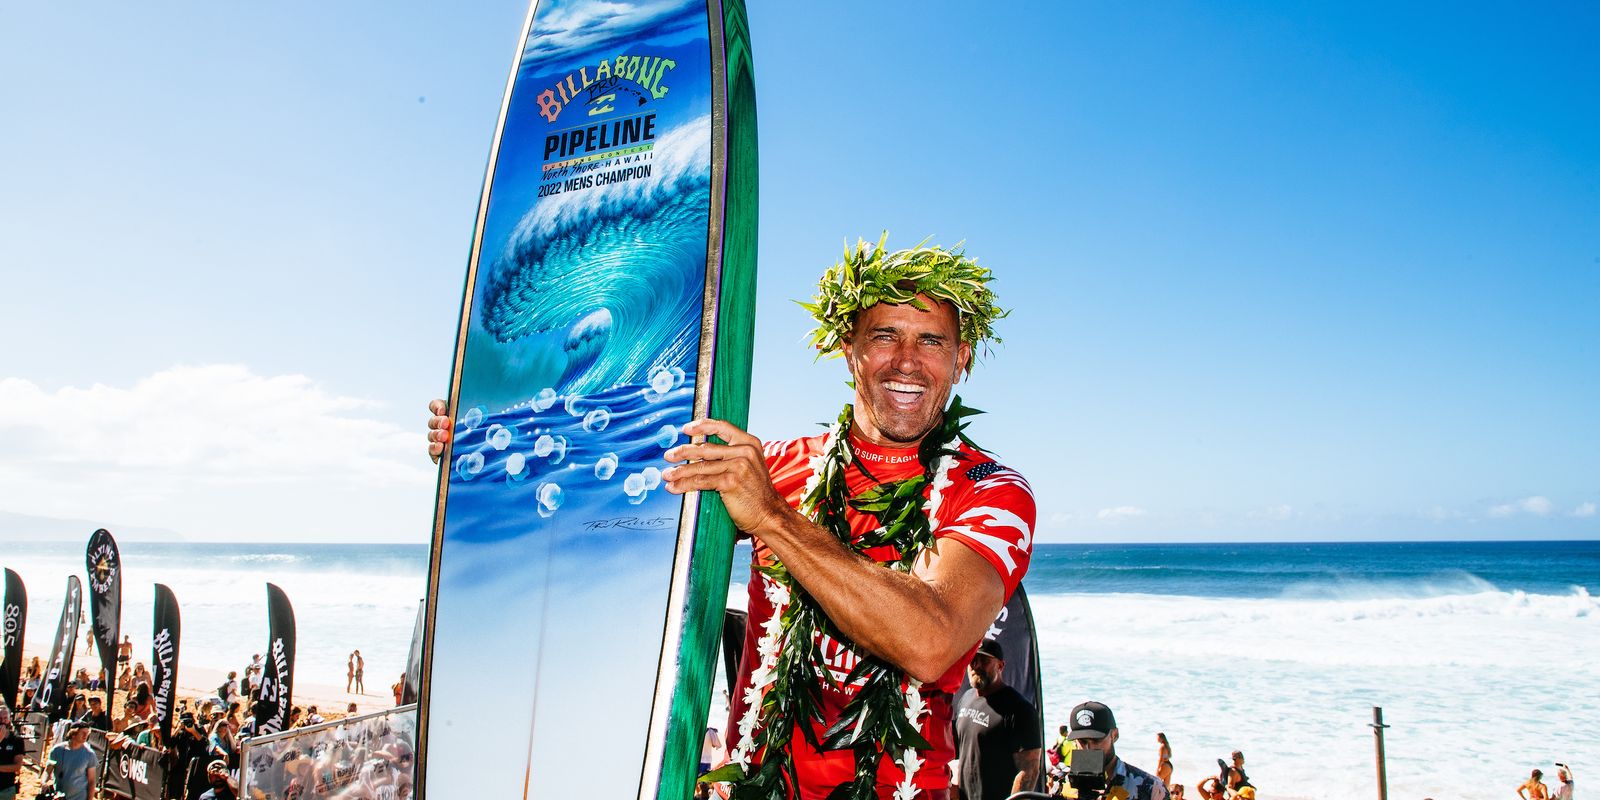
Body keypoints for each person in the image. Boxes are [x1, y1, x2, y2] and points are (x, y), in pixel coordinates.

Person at [424, 238, 1034, 799]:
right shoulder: (778, 467)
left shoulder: (990, 493)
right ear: (850, 351)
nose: (907, 361)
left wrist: (772, 518)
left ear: (963, 359)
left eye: (931, 341)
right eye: (884, 336)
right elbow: (607, 501)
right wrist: (488, 440)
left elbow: (932, 641)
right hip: (752, 787)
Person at [951, 639, 1041, 800]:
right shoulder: (966, 698)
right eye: (973, 660)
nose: (976, 666)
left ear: (1000, 666)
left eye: (984, 661)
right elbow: (962, 752)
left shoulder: (1019, 709)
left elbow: (1029, 769)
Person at [1067, 700, 1168, 800]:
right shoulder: (1062, 785)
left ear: (1114, 735)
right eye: (1082, 741)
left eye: (1096, 740)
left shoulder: (1150, 788)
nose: (1089, 748)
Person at [43, 720, 100, 800]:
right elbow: (48, 770)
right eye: (83, 733)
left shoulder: (89, 754)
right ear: (73, 734)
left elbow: (91, 781)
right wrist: (44, 782)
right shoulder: (57, 750)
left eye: (87, 733)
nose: (85, 736)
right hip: (59, 797)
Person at [0, 717, 24, 800]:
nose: (2, 721)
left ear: (10, 719)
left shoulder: (16, 739)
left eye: (5, 718)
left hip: (7, 788)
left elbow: (17, 766)